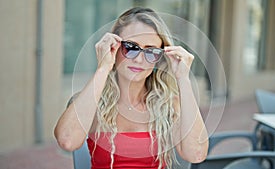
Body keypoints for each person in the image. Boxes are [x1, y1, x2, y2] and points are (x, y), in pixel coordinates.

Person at [54, 7, 208, 169]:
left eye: (151, 52)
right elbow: (67, 140)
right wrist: (103, 68)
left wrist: (183, 78)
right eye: (131, 47)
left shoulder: (170, 103)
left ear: (159, 59)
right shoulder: (93, 102)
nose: (140, 60)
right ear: (113, 47)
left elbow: (196, 154)